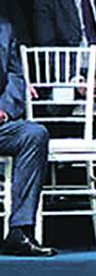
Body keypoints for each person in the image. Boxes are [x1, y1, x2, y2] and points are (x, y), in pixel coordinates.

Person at [0, 14, 53, 257]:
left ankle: (19, 230)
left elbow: (16, 77)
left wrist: (4, 110)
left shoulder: (5, 28)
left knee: (34, 134)